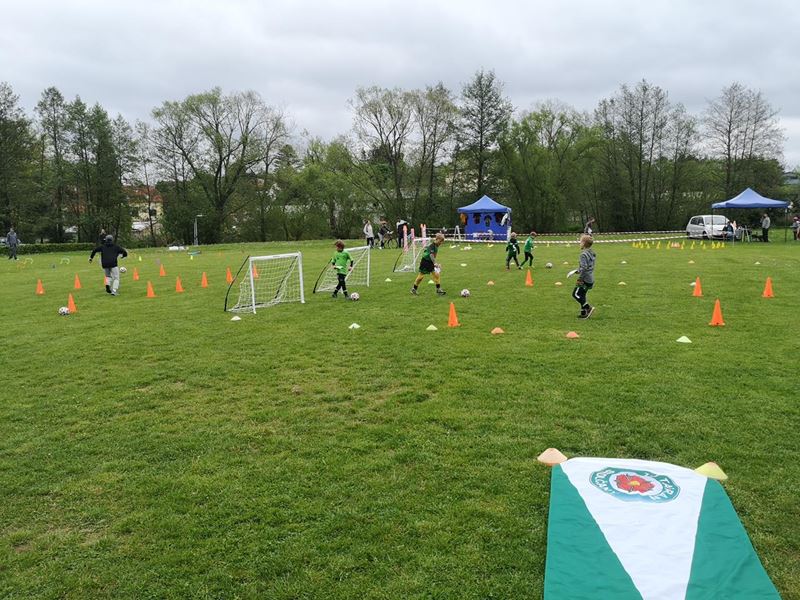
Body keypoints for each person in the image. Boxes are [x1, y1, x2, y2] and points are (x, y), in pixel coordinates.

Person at [571, 234, 596, 319]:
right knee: (582, 294)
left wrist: (580, 278)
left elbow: (584, 268)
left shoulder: (583, 255)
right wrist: (577, 271)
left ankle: (588, 308)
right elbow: (587, 267)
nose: (579, 243)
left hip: (584, 278)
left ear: (584, 243)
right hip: (590, 278)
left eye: (580, 241)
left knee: (575, 294)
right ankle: (583, 313)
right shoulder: (592, 253)